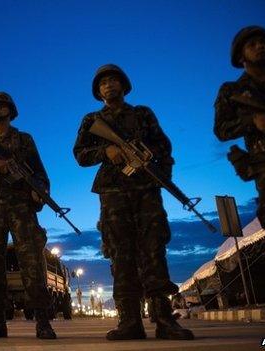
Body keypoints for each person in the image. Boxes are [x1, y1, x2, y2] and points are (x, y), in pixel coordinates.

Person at [74, 65, 193, 340]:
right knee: (121, 253)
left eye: (114, 80)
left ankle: (164, 319)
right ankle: (130, 321)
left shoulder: (142, 114)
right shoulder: (92, 119)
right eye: (103, 83)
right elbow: (80, 154)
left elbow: (164, 147)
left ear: (124, 86)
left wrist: (159, 174)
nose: (109, 85)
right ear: (98, 91)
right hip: (113, 192)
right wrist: (107, 150)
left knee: (154, 250)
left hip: (146, 190)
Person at [0, 92, 56, 339]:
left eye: (2, 105)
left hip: (21, 207)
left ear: (11, 110)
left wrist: (40, 192)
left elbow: (40, 174)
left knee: (31, 262)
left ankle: (42, 321)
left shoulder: (24, 140)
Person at [213, 25, 265, 338]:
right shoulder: (232, 91)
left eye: (264, 43)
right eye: (252, 45)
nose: (260, 48)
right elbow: (222, 129)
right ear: (241, 55)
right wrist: (252, 120)